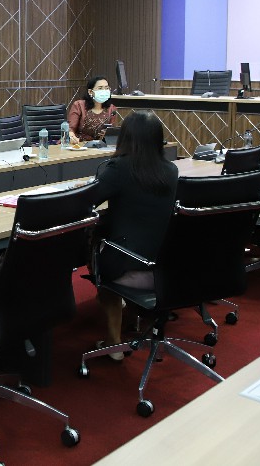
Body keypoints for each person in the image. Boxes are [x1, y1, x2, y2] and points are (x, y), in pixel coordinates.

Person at [90, 110, 178, 359]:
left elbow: (88, 200)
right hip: (165, 268)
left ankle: (114, 342)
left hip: (129, 267)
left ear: (125, 138)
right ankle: (132, 318)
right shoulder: (171, 170)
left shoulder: (119, 168)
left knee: (95, 245)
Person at [67, 76, 117, 144]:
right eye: (100, 88)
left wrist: (107, 135)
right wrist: (71, 137)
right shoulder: (79, 105)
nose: (104, 91)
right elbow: (70, 129)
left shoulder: (111, 108)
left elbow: (112, 132)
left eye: (106, 88)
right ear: (90, 91)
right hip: (78, 144)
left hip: (100, 146)